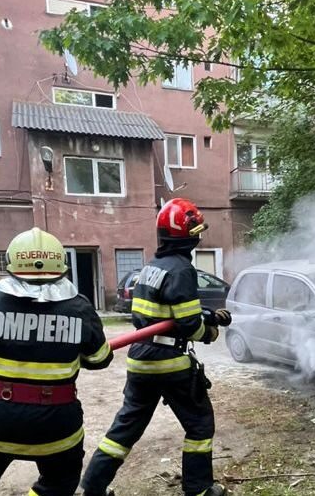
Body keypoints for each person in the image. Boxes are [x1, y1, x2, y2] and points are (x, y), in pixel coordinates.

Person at [0, 227, 113, 496]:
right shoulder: (80, 308)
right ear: (61, 266)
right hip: (56, 427)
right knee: (59, 484)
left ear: (11, 265)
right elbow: (100, 359)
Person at [82, 198, 232, 496]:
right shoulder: (182, 269)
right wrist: (209, 331)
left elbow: (164, 313)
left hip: (141, 358)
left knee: (126, 427)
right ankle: (199, 488)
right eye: (196, 232)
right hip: (169, 362)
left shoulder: (151, 268)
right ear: (185, 236)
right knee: (199, 425)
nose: (198, 238)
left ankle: (93, 486)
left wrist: (208, 314)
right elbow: (188, 325)